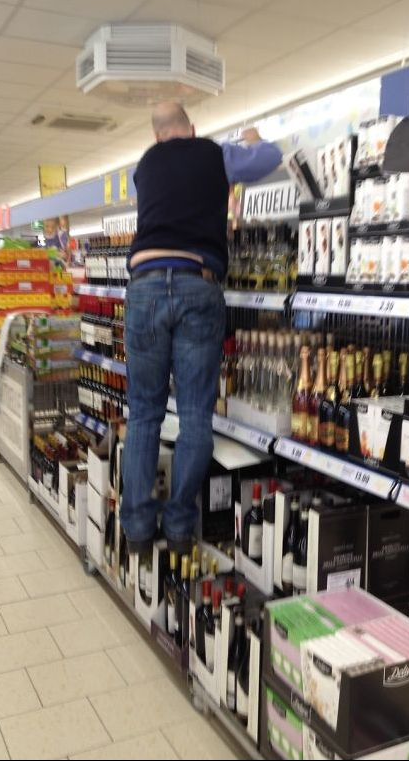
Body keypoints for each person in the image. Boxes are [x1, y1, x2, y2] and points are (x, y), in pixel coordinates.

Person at [121, 102, 282, 555]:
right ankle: (178, 527)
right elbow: (270, 158)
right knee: (194, 416)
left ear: (157, 136)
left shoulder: (144, 166)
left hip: (145, 287)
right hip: (198, 283)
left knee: (144, 414)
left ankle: (137, 529)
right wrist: (251, 139)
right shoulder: (214, 154)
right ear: (192, 129)